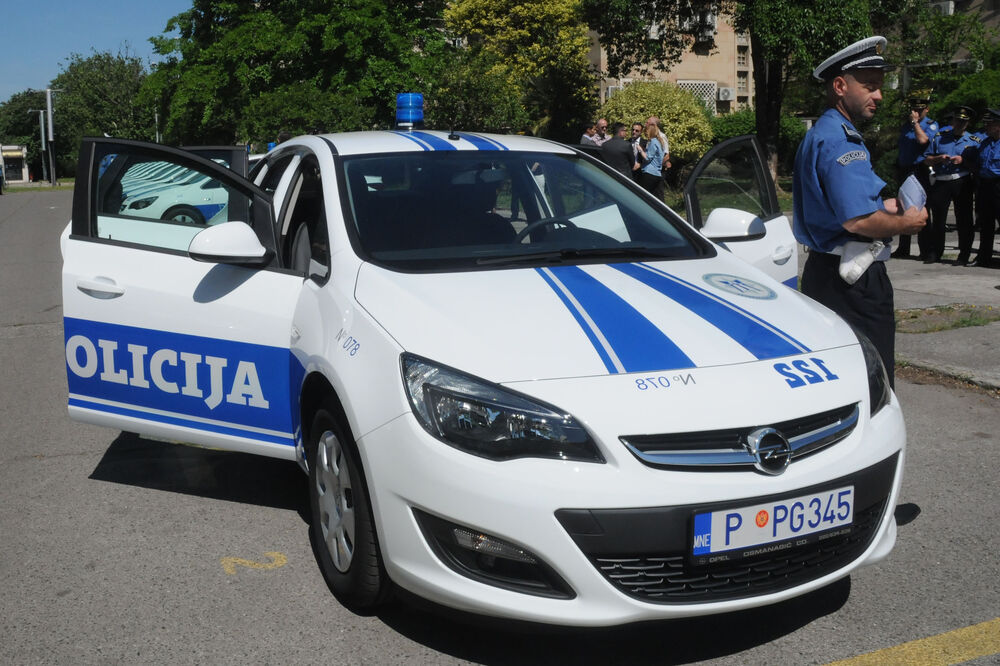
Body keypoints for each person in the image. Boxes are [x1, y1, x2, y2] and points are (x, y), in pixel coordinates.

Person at [793, 36, 927, 387]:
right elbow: (858, 220)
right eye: (869, 87)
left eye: (879, 87)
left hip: (827, 272)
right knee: (873, 380)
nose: (878, 96)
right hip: (855, 281)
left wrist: (884, 206)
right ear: (840, 86)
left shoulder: (824, 132)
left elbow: (843, 207)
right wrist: (906, 222)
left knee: (836, 377)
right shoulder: (842, 140)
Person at [920, 106, 980, 264]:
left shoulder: (973, 141)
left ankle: (964, 255)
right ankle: (936, 252)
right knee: (938, 220)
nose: (960, 124)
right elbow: (926, 159)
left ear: (968, 123)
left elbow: (978, 166)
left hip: (962, 181)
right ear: (953, 121)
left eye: (964, 121)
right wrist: (939, 158)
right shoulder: (940, 137)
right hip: (942, 181)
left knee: (964, 220)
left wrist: (963, 161)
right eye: (958, 120)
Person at [892, 89, 936, 258]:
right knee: (904, 207)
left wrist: (916, 123)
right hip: (905, 168)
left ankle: (926, 249)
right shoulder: (906, 126)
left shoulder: (930, 125)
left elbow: (923, 141)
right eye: (914, 110)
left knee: (923, 208)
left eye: (920, 110)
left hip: (920, 170)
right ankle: (904, 247)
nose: (916, 112)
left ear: (927, 110)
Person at [975, 107, 1000, 268]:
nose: (986, 127)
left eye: (990, 124)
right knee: (985, 223)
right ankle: (983, 257)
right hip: (985, 185)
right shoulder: (985, 142)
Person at [636, 116, 669, 200]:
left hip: (650, 172)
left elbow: (648, 158)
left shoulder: (655, 141)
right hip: (656, 172)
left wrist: (640, 150)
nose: (645, 125)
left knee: (645, 196)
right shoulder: (658, 140)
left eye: (647, 123)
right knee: (654, 197)